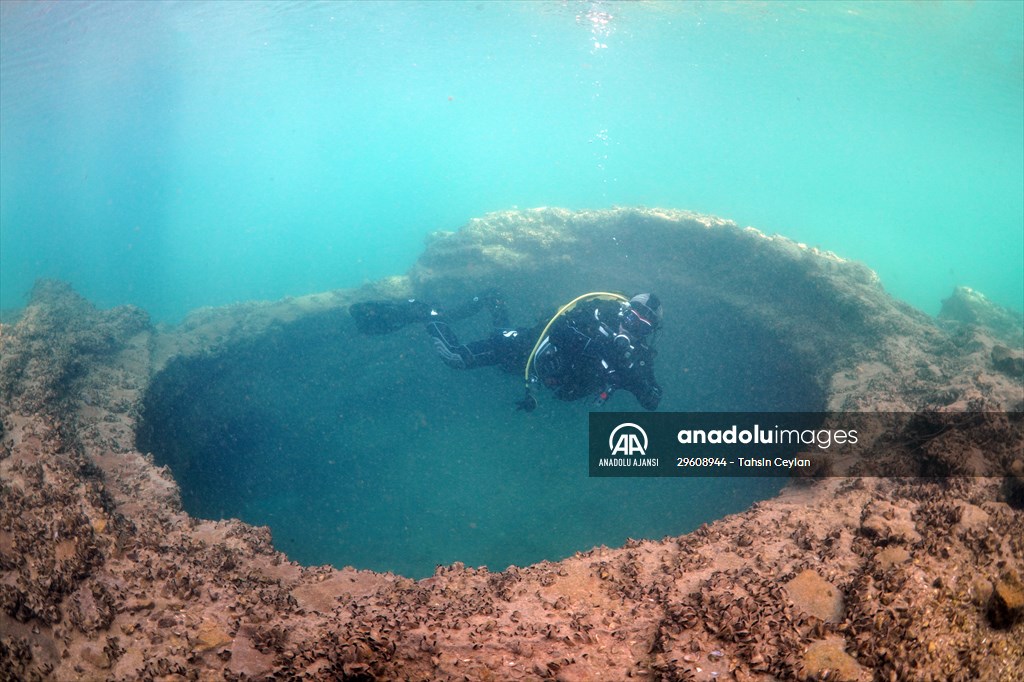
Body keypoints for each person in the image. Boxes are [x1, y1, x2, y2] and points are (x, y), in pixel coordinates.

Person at [350, 290, 663, 412]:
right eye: (631, 314)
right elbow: (558, 328)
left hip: (532, 370)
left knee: (499, 338)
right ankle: (424, 312)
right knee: (455, 358)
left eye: (643, 325)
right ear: (623, 309)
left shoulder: (636, 357)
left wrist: (634, 371)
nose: (634, 325)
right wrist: (600, 345)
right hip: (523, 348)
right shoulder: (599, 316)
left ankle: (492, 299)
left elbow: (652, 400)